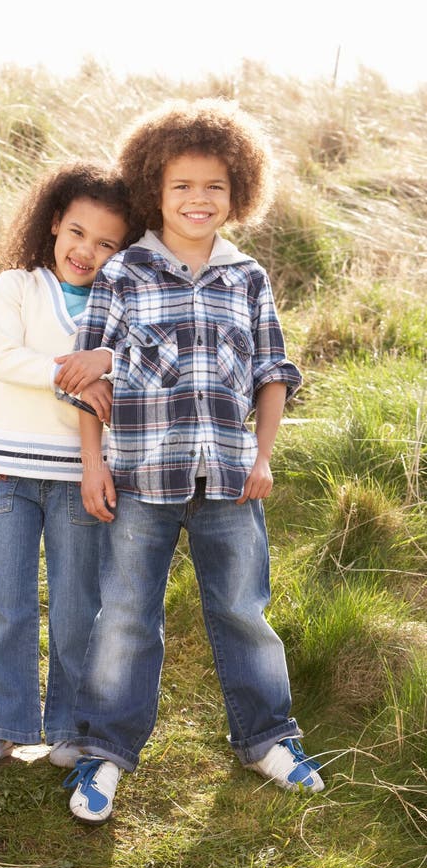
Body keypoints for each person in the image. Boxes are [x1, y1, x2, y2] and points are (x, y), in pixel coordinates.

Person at [57, 99, 325, 822]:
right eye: (182, 186)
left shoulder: (249, 278)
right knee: (127, 617)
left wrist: (264, 457)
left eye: (214, 186)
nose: (198, 200)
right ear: (154, 189)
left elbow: (273, 373)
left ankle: (268, 738)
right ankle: (103, 757)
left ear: (239, 189)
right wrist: (92, 464)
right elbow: (90, 378)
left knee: (243, 611)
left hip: (233, 479)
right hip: (142, 475)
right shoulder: (125, 272)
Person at [0, 161, 133, 769]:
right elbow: (5, 359)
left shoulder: (119, 306)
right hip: (10, 467)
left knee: (78, 604)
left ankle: (72, 726)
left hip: (80, 473)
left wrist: (103, 366)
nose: (88, 251)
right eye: (78, 232)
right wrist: (77, 377)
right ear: (55, 221)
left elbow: (127, 377)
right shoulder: (17, 287)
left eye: (107, 243)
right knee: (3, 597)